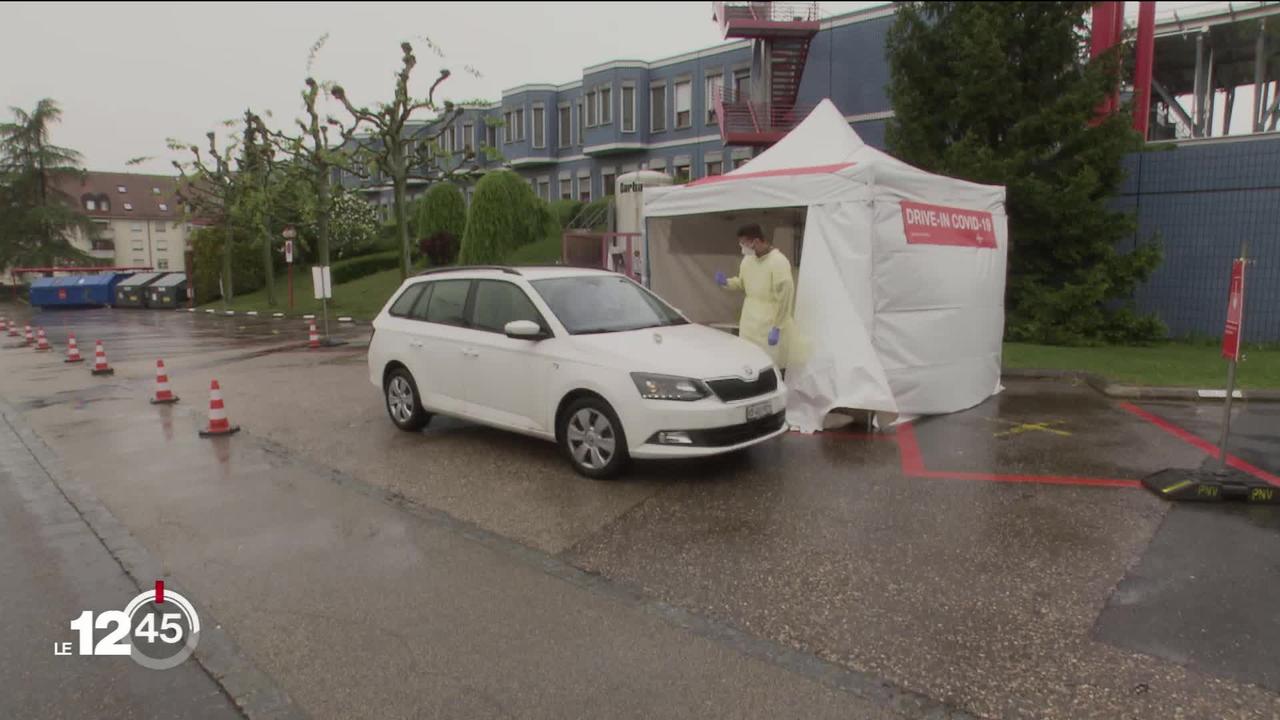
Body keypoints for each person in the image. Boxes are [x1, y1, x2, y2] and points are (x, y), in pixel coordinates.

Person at [715, 223, 795, 370]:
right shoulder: (748, 260)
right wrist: (726, 282)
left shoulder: (778, 261)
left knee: (768, 365)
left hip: (769, 322)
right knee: (747, 360)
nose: (742, 248)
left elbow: (786, 296)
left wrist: (778, 327)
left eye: (744, 244)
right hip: (749, 320)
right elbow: (742, 283)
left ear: (756, 241)